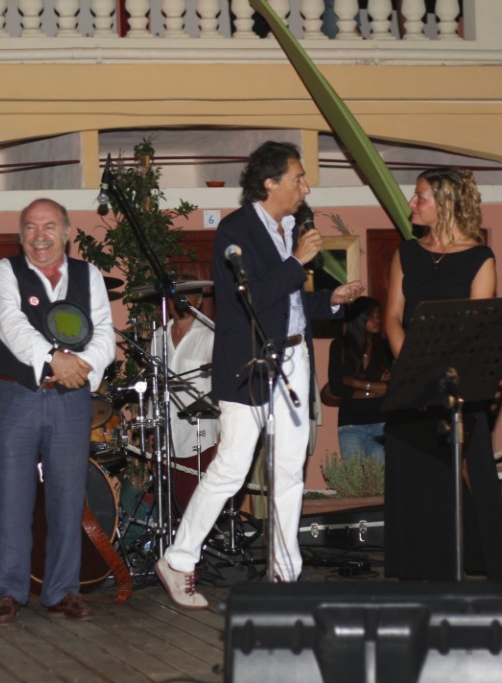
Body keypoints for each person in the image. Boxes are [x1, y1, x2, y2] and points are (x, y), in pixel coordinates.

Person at [155, 141, 364, 609]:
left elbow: (288, 303)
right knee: (231, 468)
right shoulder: (236, 230)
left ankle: (284, 575)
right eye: (298, 178)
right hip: (249, 362)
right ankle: (179, 560)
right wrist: (297, 262)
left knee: (289, 471)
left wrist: (331, 300)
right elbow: (247, 299)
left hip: (294, 357)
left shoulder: (289, 228)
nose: (306, 188)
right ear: (270, 183)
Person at [0, 198, 115, 624]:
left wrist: (82, 367)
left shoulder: (88, 274)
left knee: (68, 497)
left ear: (67, 232)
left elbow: (105, 333)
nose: (39, 235)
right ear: (21, 234)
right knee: (9, 498)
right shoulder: (5, 272)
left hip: (70, 399)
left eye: (49, 226)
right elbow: (12, 326)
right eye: (30, 227)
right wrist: (55, 360)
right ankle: (8, 591)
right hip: (17, 395)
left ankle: (62, 591)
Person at [382, 167, 502, 582]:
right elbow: (392, 318)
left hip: (459, 385)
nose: (411, 203)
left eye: (420, 196)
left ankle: (489, 564)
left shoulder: (480, 258)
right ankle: (420, 567)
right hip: (411, 382)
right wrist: (416, 373)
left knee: (468, 470)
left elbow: (477, 327)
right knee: (417, 475)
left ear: (446, 203)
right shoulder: (406, 253)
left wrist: (443, 380)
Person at [151, 282, 218, 463]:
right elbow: (155, 384)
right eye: (174, 297)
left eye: (185, 296)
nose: (178, 301)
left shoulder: (211, 334)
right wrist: (152, 429)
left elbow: (224, 388)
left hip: (202, 438)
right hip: (167, 439)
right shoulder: (158, 336)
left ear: (199, 301)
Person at [326, 296, 391, 462]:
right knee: (354, 476)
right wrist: (374, 390)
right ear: (359, 318)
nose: (377, 320)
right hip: (351, 423)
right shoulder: (339, 346)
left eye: (379, 315)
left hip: (380, 422)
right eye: (372, 315)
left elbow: (390, 388)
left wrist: (355, 383)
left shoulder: (385, 347)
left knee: (379, 476)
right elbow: (337, 388)